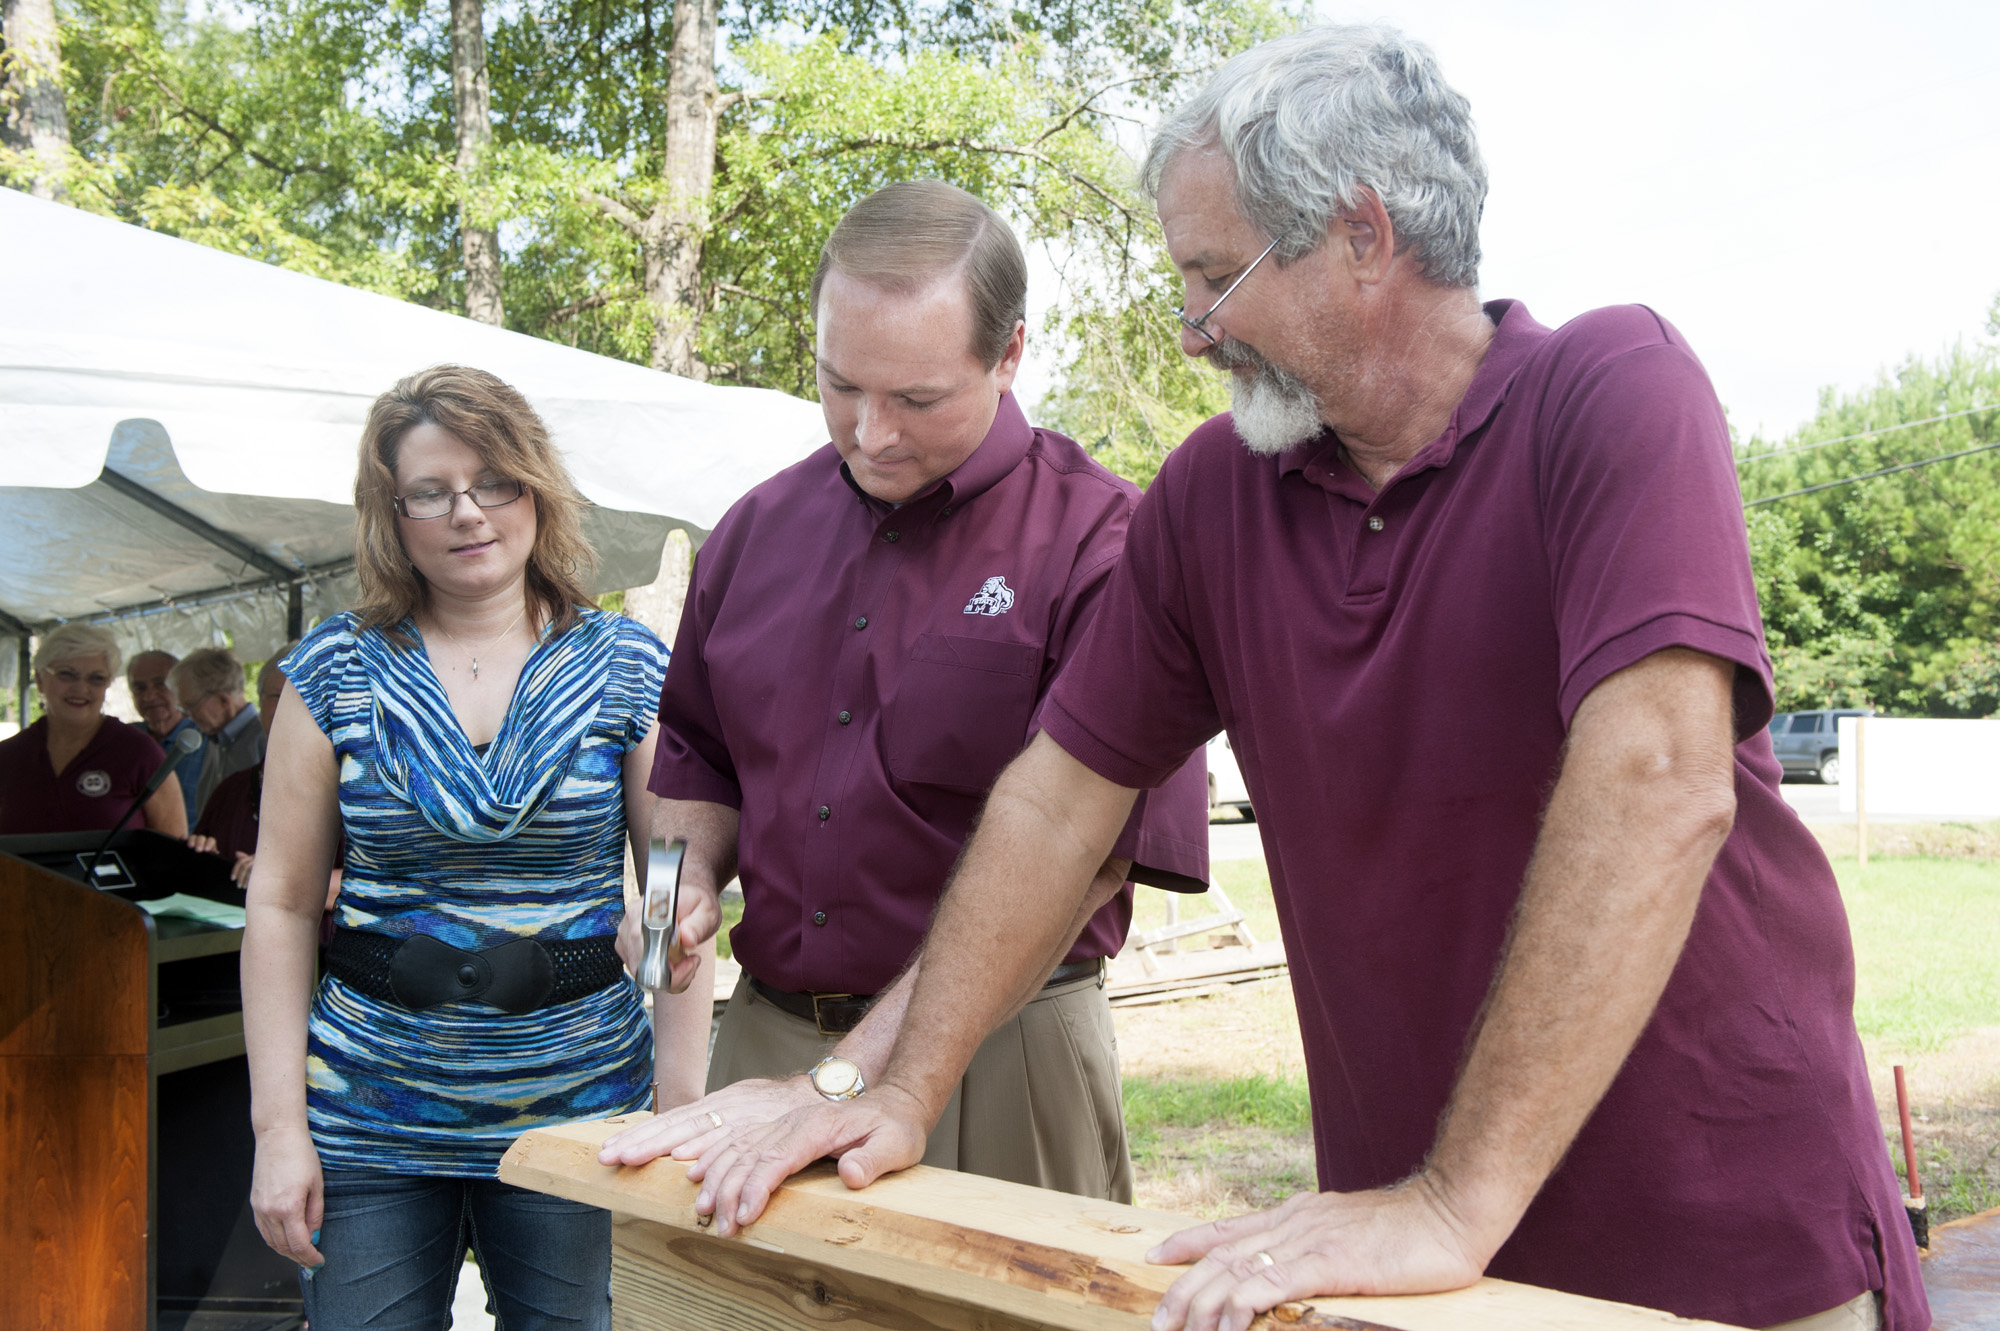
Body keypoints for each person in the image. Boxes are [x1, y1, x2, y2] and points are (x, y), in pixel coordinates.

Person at [668, 27, 1927, 1331]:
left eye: (1215, 276)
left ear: (1364, 236)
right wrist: (890, 1083)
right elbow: (1054, 805)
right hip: (1403, 1241)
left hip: (1717, 1227)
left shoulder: (1609, 390)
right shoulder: (1211, 497)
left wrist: (1453, 1195)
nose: (1194, 330)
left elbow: (1663, 776)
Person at [596, 181, 1209, 1212]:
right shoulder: (752, 531)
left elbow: (1086, 856)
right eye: (840, 385)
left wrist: (852, 1075)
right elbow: (697, 754)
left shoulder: (1108, 545)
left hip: (999, 1053)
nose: (870, 433)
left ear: (1009, 353)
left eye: (916, 399)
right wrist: (676, 889)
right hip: (766, 1033)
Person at [240, 364, 714, 1330]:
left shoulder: (625, 665)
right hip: (369, 1116)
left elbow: (672, 892)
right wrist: (278, 1130)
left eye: (493, 478)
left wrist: (678, 1105)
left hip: (586, 1111)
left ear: (535, 485)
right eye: (430, 491)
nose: (468, 511)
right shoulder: (332, 671)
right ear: (393, 511)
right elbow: (284, 904)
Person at [0, 622, 189, 837]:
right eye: (67, 674)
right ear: (41, 679)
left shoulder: (139, 753)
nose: (81, 687)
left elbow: (174, 851)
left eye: (96, 678)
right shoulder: (9, 756)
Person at [191, 654, 292, 886]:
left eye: (308, 696)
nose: (291, 707)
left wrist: (281, 878)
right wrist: (202, 854)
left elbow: (384, 887)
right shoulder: (230, 790)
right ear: (259, 701)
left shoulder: (366, 791)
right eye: (277, 696)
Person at [173, 646, 263, 814]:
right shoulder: (216, 739)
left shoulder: (265, 738)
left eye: (191, 707)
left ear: (223, 700)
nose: (189, 717)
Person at [128, 649, 205, 827]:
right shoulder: (126, 742)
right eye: (139, 688)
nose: (149, 696)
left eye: (160, 684)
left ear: (181, 686)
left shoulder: (207, 737)